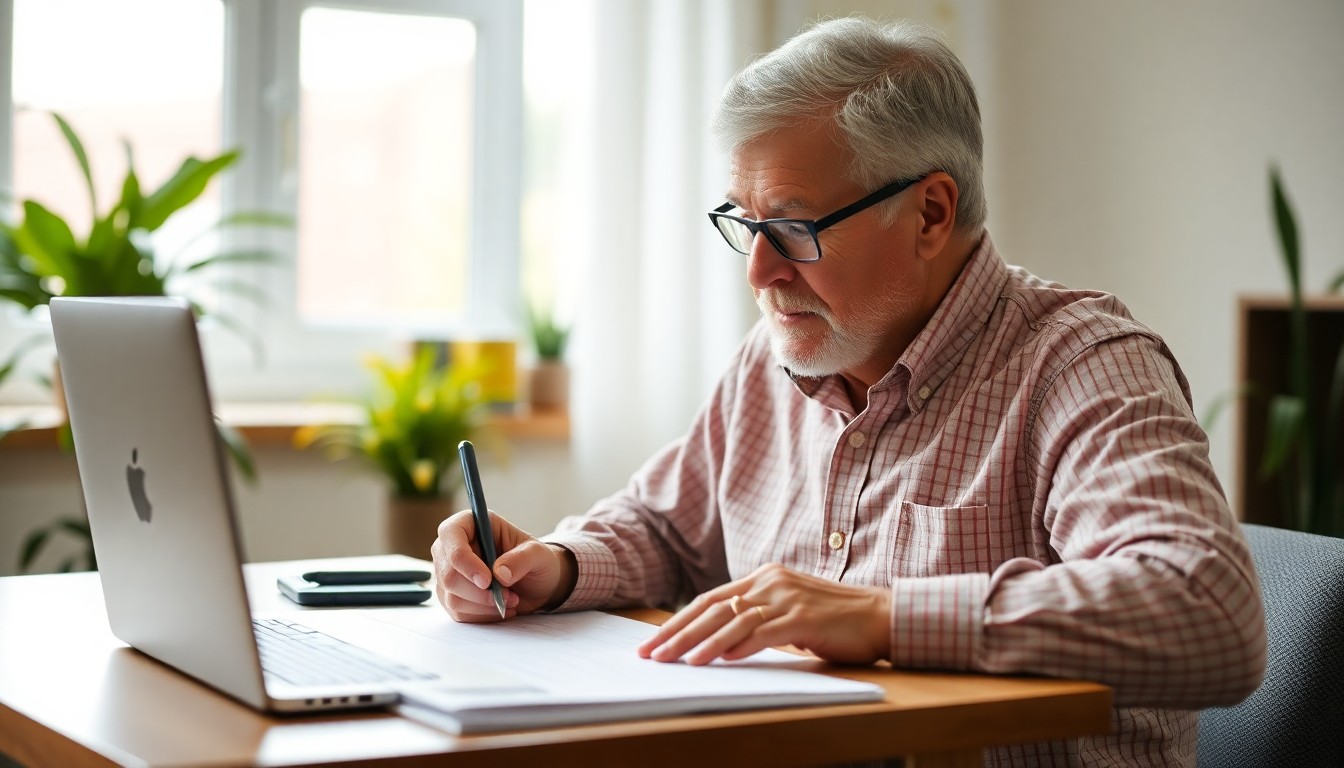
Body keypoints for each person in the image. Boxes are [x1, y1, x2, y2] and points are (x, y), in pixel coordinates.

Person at [432, 16, 1266, 766]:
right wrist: (557, 566)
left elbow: (1209, 609)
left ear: (931, 213)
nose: (760, 271)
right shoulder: (776, 357)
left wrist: (878, 616)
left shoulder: (1083, 364)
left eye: (793, 227)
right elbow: (665, 530)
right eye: (745, 224)